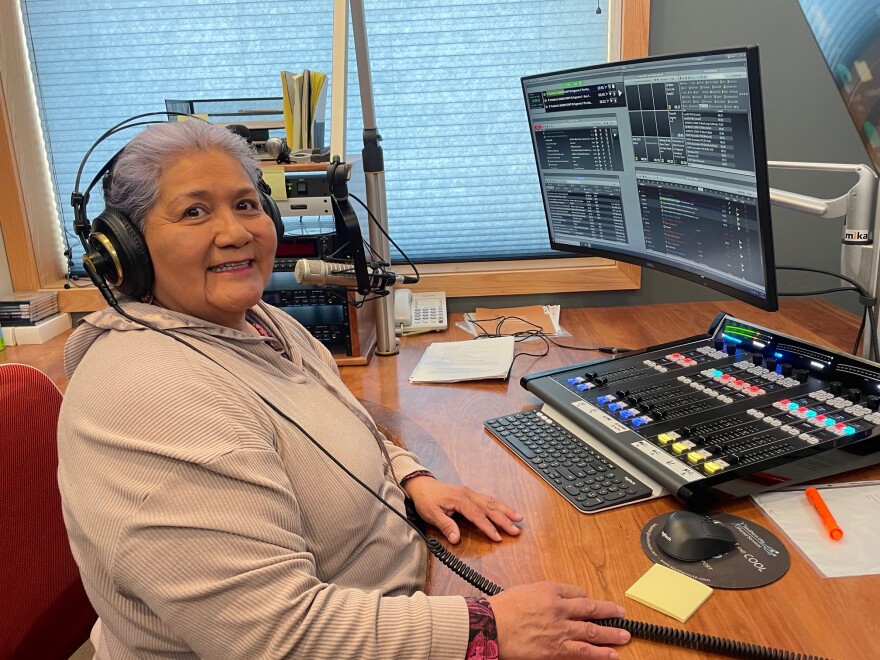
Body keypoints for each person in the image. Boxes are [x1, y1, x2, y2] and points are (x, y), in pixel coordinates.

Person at [57, 119, 632, 660]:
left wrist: (411, 477)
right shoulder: (148, 395)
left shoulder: (258, 322)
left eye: (246, 205)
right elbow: (277, 639)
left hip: (396, 602)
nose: (234, 232)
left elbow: (333, 423)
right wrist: (486, 628)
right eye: (194, 212)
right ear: (124, 249)